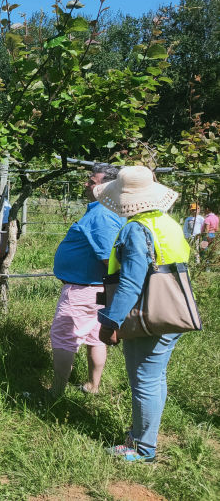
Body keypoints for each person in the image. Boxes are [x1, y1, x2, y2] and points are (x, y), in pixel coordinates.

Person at [96, 166, 189, 463]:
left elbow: (132, 282)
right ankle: (143, 434)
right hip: (173, 309)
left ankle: (142, 447)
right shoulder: (167, 223)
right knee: (155, 376)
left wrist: (111, 321)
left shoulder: (136, 229)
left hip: (146, 315)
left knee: (144, 379)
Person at [49, 163, 125, 396]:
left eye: (92, 181)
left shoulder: (102, 214)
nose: (87, 184)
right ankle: (92, 385)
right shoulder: (106, 211)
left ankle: (57, 392)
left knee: (64, 337)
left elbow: (108, 259)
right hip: (95, 288)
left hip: (83, 289)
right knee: (95, 337)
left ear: (106, 187)